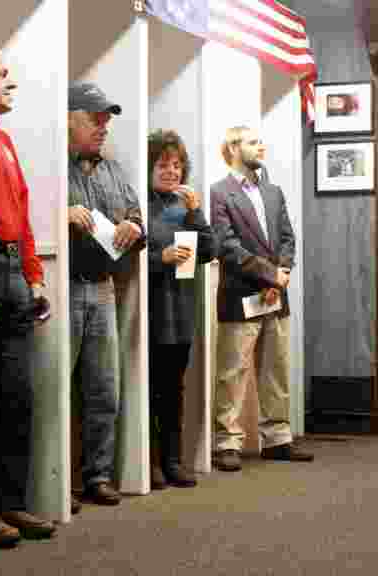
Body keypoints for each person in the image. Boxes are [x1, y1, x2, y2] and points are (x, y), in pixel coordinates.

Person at [0, 44, 56, 548]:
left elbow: (20, 215)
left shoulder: (3, 140)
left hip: (13, 272)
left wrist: (34, 276)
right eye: (2, 73)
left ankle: (12, 502)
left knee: (20, 395)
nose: (11, 81)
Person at [211, 126, 313, 472]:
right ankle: (227, 443)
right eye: (254, 142)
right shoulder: (219, 193)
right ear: (234, 148)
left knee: (276, 369)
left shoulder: (273, 192)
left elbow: (287, 238)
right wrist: (270, 275)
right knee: (233, 371)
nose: (261, 146)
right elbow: (226, 247)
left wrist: (280, 276)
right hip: (240, 295)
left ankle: (277, 439)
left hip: (274, 296)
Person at [67, 82, 145, 505]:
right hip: (62, 288)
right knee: (56, 385)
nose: (102, 127)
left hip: (103, 289)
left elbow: (135, 217)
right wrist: (60, 215)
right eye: (93, 118)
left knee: (104, 389)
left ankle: (96, 475)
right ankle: (55, 482)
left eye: (105, 120)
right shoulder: (51, 165)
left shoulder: (114, 170)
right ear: (68, 119)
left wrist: (135, 227)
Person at [146, 129, 215, 489]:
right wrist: (162, 258)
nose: (171, 171)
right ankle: (150, 462)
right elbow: (135, 256)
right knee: (150, 390)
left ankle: (173, 460)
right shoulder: (141, 204)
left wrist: (196, 212)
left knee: (174, 390)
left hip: (182, 313)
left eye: (177, 165)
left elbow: (208, 251)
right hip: (151, 312)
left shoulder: (183, 205)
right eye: (162, 164)